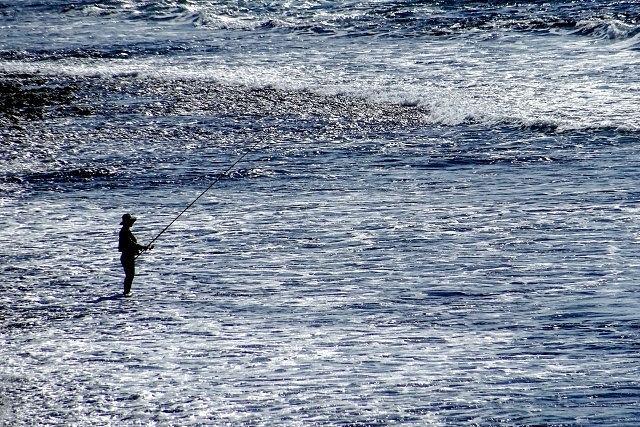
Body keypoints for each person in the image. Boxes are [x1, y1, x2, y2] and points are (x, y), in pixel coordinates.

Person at [118, 213, 152, 296]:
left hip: (128, 256)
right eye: (130, 221)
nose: (132, 223)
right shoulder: (124, 232)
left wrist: (142, 248)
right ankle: (126, 293)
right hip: (127, 256)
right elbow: (131, 244)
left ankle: (127, 292)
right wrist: (143, 247)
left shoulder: (126, 231)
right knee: (130, 275)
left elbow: (132, 245)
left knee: (130, 275)